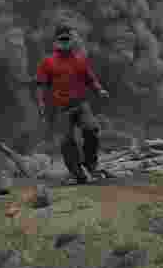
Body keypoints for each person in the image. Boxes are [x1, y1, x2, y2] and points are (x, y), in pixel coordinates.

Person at [36, 25, 111, 183]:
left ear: (72, 41)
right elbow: (41, 85)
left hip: (82, 104)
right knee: (67, 141)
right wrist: (41, 104)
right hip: (62, 108)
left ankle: (90, 165)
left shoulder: (80, 59)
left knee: (91, 129)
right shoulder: (47, 62)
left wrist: (100, 90)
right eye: (61, 39)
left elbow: (91, 79)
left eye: (67, 39)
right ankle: (77, 174)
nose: (64, 42)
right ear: (56, 41)